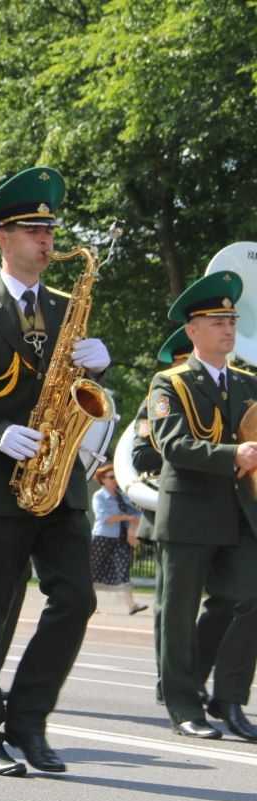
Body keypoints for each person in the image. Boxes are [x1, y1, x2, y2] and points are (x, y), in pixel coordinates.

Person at [0, 166, 110, 777]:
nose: (45, 239)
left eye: (49, 228)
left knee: (77, 599)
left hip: (60, 479)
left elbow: (73, 388)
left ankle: (28, 722)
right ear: (3, 238)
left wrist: (99, 367)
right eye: (32, 229)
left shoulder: (67, 307)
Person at [149, 271, 257, 741]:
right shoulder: (170, 382)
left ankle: (229, 697)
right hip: (190, 512)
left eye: (231, 319)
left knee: (246, 598)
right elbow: (171, 444)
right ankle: (182, 703)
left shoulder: (248, 383)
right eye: (216, 321)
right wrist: (232, 454)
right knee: (178, 611)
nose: (228, 328)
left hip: (239, 513)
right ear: (193, 331)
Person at [131, 327, 235, 705]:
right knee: (172, 603)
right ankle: (169, 679)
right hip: (173, 507)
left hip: (222, 506)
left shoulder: (228, 389)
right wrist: (192, 445)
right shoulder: (158, 399)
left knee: (231, 598)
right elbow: (142, 456)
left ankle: (190, 676)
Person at [90, 464, 147, 615]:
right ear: (102, 479)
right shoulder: (99, 496)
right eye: (111, 477)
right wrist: (127, 517)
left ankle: (132, 605)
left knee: (123, 569)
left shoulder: (122, 496)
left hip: (122, 538)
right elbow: (104, 518)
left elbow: (137, 513)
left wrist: (133, 526)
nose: (114, 480)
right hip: (103, 537)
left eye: (115, 477)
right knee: (93, 571)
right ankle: (90, 604)